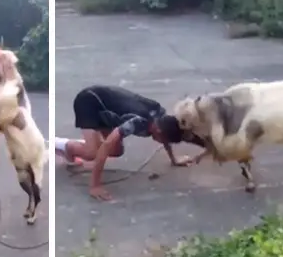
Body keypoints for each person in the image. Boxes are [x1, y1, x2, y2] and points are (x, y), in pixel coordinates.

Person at [55, 85, 204, 201]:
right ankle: (60, 144)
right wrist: (95, 186)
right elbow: (105, 146)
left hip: (107, 108)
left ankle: (79, 147)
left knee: (117, 151)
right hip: (89, 102)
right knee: (93, 152)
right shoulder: (136, 122)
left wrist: (174, 159)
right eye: (162, 140)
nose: (160, 143)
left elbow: (168, 133)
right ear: (157, 131)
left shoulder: (161, 116)